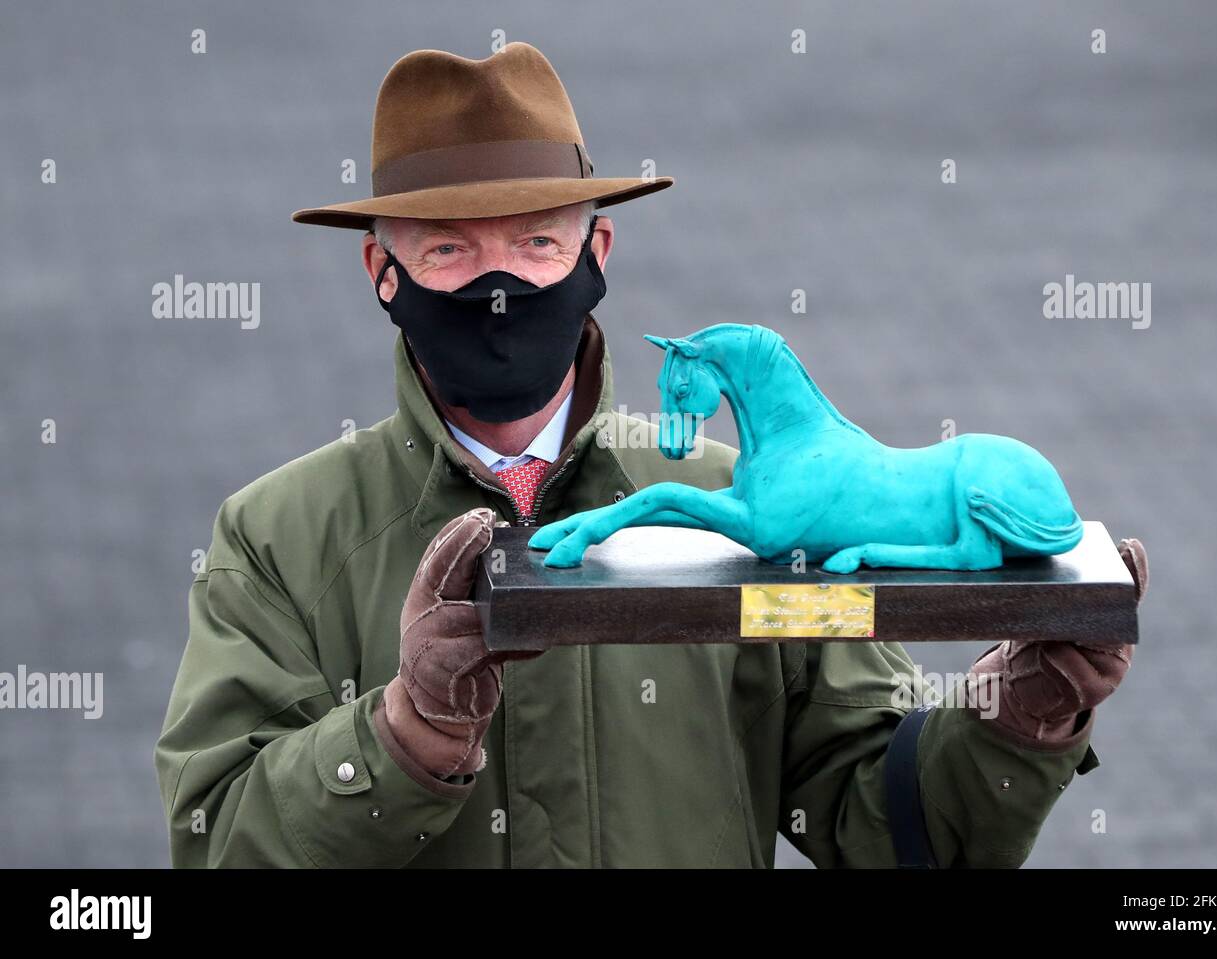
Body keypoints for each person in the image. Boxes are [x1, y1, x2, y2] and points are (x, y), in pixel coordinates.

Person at [154, 42, 1146, 868]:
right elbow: (213, 844)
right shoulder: (280, 537)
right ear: (382, 268)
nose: (498, 281)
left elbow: (888, 829)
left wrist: (1013, 716)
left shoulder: (747, 516)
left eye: (538, 242)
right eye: (449, 249)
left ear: (598, 258)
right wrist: (404, 731)